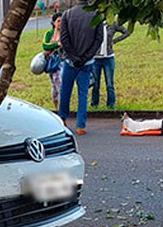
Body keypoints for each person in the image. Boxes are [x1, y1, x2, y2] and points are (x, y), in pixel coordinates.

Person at [58, 0, 103, 135]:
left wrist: (74, 57)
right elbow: (98, 39)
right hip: (87, 61)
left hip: (70, 61)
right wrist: (86, 57)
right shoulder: (96, 15)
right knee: (83, 93)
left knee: (65, 91)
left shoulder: (67, 14)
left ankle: (62, 119)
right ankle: (80, 126)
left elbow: (64, 39)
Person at [90, 20, 129, 109]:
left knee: (110, 84)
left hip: (109, 58)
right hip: (96, 58)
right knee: (95, 84)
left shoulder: (113, 23)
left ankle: (111, 105)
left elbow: (126, 32)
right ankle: (94, 105)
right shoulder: (94, 23)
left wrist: (114, 41)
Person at [42, 12, 63, 110]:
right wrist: (57, 44)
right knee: (54, 87)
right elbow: (45, 46)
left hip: (61, 63)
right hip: (51, 63)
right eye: (58, 21)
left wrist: (53, 45)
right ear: (53, 22)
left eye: (62, 21)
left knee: (60, 86)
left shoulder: (65, 32)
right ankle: (56, 108)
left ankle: (63, 111)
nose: (60, 23)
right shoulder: (49, 33)